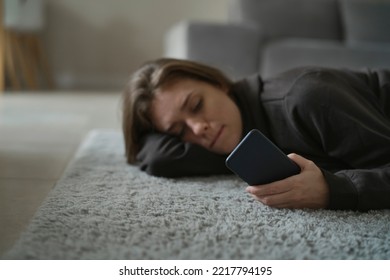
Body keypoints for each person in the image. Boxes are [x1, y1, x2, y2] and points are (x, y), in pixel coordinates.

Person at [122, 58, 390, 211]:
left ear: (219, 83)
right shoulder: (232, 134)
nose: (197, 129)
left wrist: (335, 190)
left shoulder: (308, 99)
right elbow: (156, 156)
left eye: (196, 105)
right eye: (178, 131)